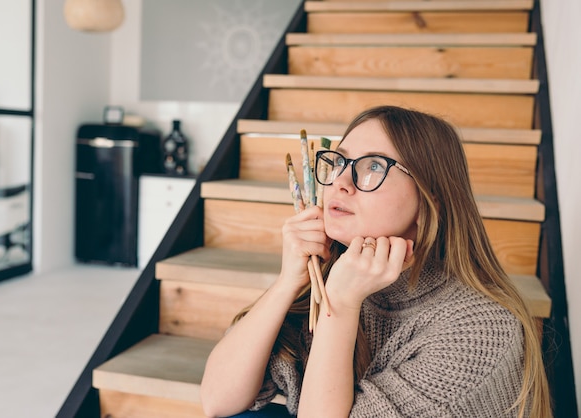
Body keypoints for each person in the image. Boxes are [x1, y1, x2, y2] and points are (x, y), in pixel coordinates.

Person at [200, 105, 551, 418]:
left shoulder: (480, 329)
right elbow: (217, 401)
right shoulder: (334, 273)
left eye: (373, 167)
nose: (339, 181)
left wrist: (341, 305)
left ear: (432, 200)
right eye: (338, 161)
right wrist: (287, 282)